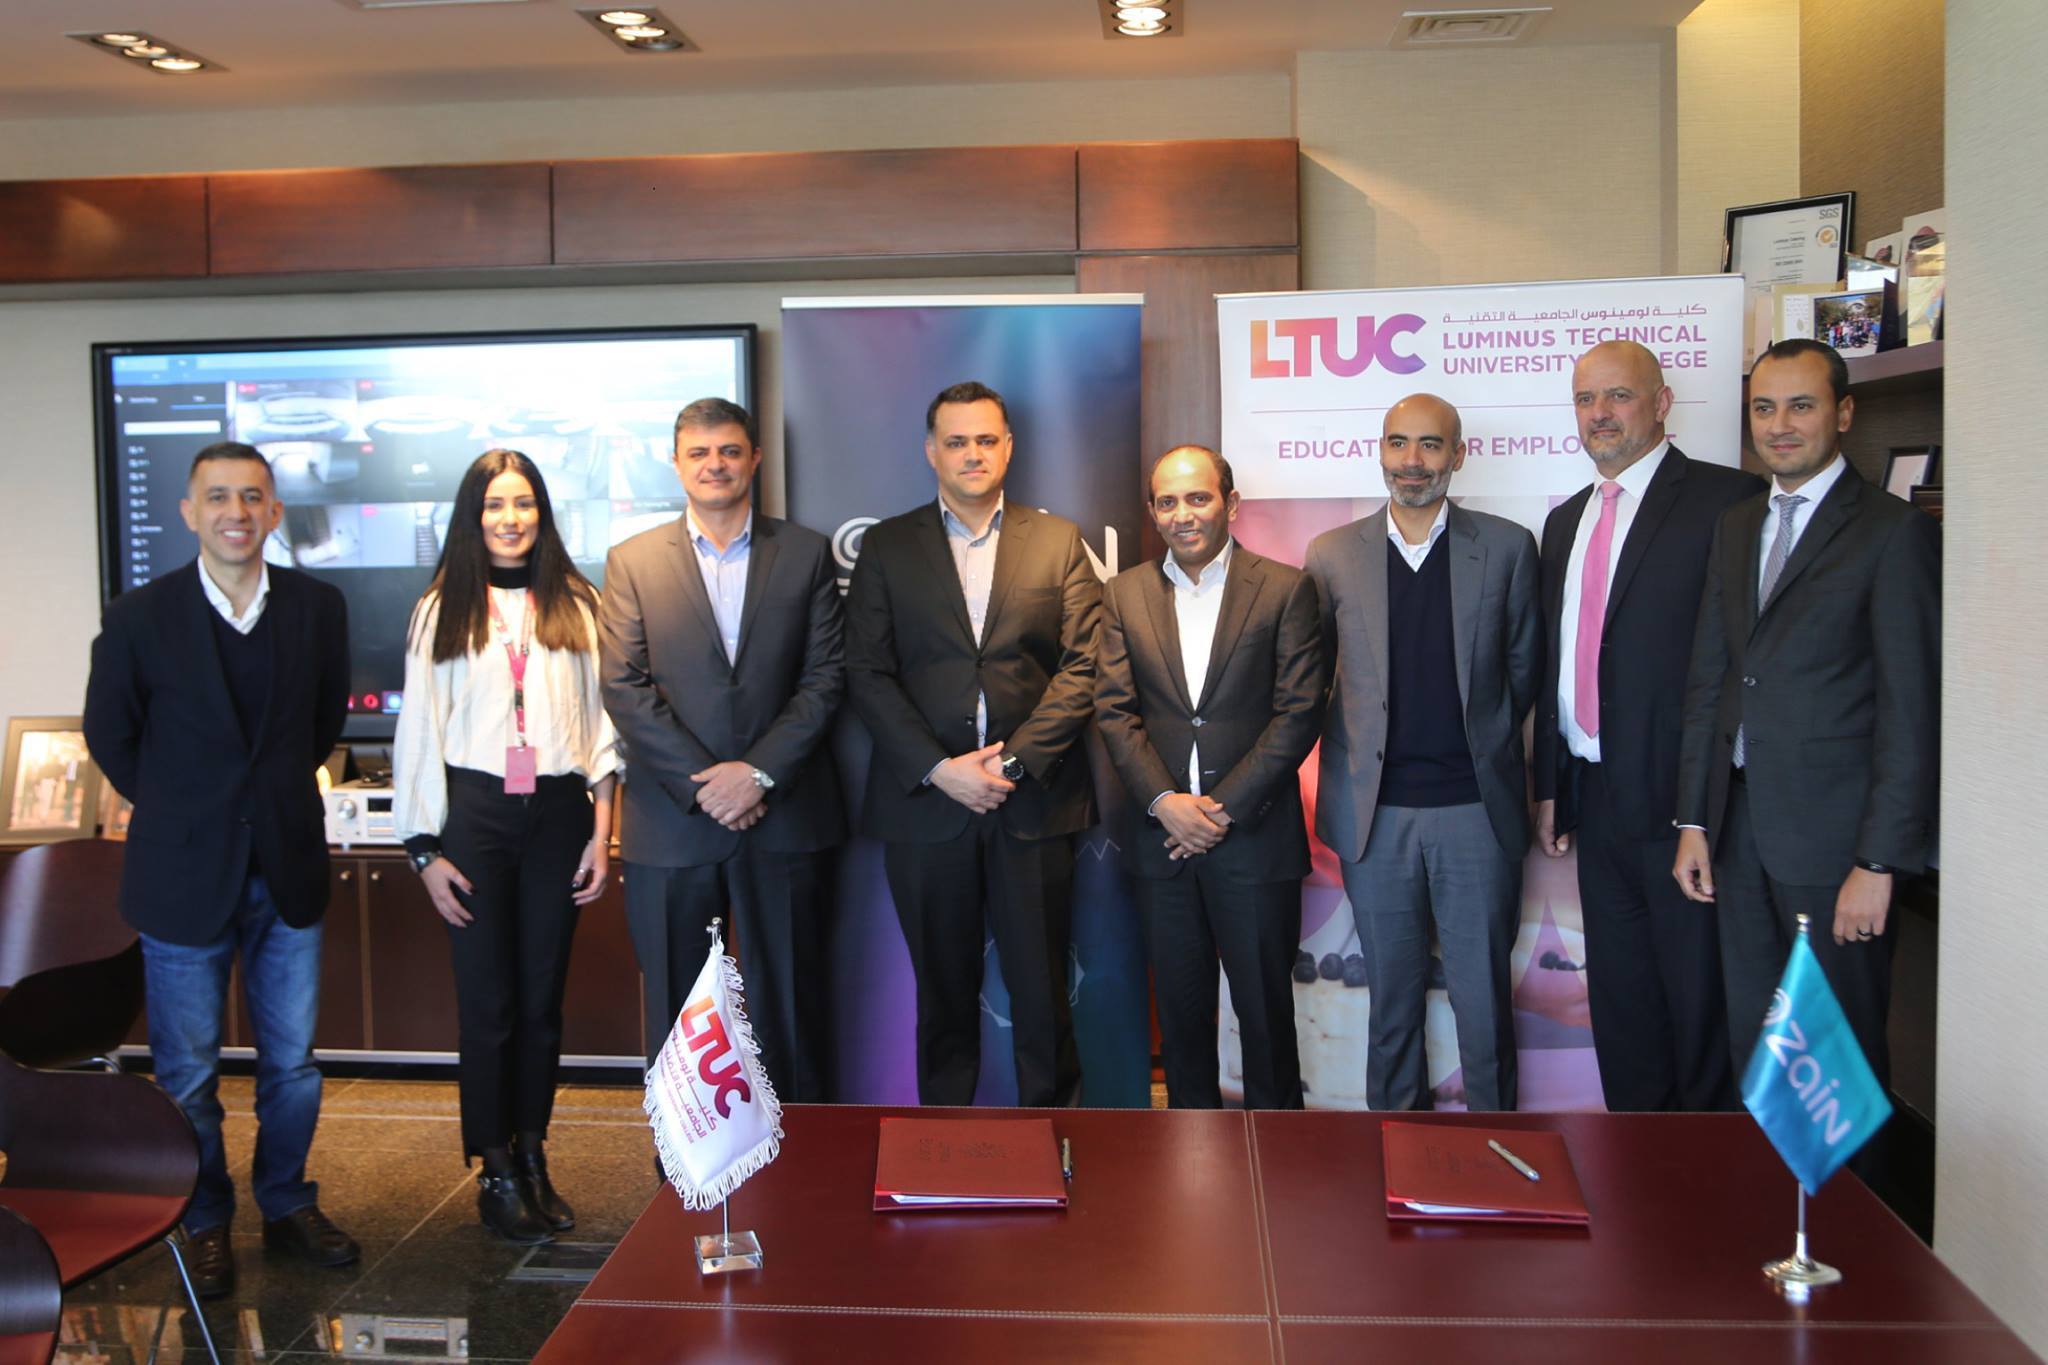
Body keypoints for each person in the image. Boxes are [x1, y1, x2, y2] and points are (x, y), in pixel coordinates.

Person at [82, 441, 356, 1299]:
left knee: (293, 1066)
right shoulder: (139, 615)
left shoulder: (318, 607)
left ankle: (286, 1201)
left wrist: (261, 802)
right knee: (189, 1072)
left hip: (286, 865)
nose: (235, 512)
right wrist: (183, 807)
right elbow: (110, 733)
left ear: (274, 511)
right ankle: (203, 1217)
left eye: (251, 496)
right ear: (188, 511)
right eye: (217, 497)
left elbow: (321, 723)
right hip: (181, 872)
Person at [1674, 338, 1939, 1093]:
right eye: (1764, 408)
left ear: (1843, 413)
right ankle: (1765, 1179)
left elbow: (1912, 712)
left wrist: (1879, 863)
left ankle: (1847, 1186)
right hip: (1736, 832)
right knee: (1756, 1049)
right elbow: (1712, 680)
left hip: (1837, 850)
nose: (1779, 425)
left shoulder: (1893, 532)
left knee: (1835, 1064)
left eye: (1800, 405)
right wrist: (1694, 819)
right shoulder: (1736, 525)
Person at [845, 380, 1101, 1108]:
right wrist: (939, 769)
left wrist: (1012, 763)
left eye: (986, 439)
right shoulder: (888, 546)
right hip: (929, 808)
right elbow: (866, 670)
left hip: (1033, 803)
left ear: (1008, 448)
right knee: (943, 993)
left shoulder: (1057, 541)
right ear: (932, 451)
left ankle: (1056, 1140)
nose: (972, 454)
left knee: (1043, 992)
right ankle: (942, 1145)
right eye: (956, 441)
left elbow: (1084, 666)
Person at [393, 448, 618, 1245]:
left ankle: (532, 1151)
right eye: (495, 505)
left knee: (540, 1001)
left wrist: (601, 832)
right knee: (488, 1003)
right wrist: (424, 851)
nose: (510, 518)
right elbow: (419, 728)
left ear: (542, 513)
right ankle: (492, 1165)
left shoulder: (578, 602)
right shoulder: (441, 607)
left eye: (523, 503)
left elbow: (603, 726)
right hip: (476, 814)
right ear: (473, 515)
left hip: (558, 813)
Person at [1532, 341, 1764, 1113]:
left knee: (1699, 1007)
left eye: (1619, 395)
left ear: (1661, 402)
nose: (1599, 413)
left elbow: (1740, 664)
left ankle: (1704, 1172)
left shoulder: (1729, 501)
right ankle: (1639, 1165)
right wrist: (1552, 787)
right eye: (1585, 399)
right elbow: (1559, 662)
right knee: (1624, 1004)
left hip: (1688, 806)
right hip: (1596, 798)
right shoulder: (1564, 520)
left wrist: (1699, 808)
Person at [598, 398, 845, 1104]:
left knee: (791, 1004)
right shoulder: (632, 561)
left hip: (786, 816)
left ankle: (800, 1156)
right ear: (676, 463)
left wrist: (758, 773)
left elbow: (827, 676)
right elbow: (623, 685)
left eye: (730, 451)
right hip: (673, 824)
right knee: (681, 1014)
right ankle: (683, 1165)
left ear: (754, 459)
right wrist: (707, 784)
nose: (716, 465)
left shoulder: (805, 553)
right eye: (700, 453)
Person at [1304, 394, 1540, 1112]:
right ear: (1380, 450)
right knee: (1392, 1006)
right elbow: (1313, 678)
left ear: (1458, 454)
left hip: (1476, 812)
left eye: (1431, 444)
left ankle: (1496, 1154)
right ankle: (1397, 1151)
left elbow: (1523, 672)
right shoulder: (1331, 555)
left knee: (1484, 1007)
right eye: (1398, 443)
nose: (1413, 461)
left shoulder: (1507, 547)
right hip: (1375, 818)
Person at [1095, 446, 1325, 1109]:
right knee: (1181, 1024)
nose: (1183, 514)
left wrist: (1220, 810)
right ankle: (1191, 1161)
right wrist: (1165, 802)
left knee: (1267, 1022)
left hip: (1254, 841)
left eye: (1198, 498)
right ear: (1153, 511)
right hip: (1163, 846)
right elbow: (1114, 711)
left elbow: (1299, 711)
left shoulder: (1284, 588)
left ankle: (1276, 1158)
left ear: (1231, 503)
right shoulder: (1124, 594)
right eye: (1167, 501)